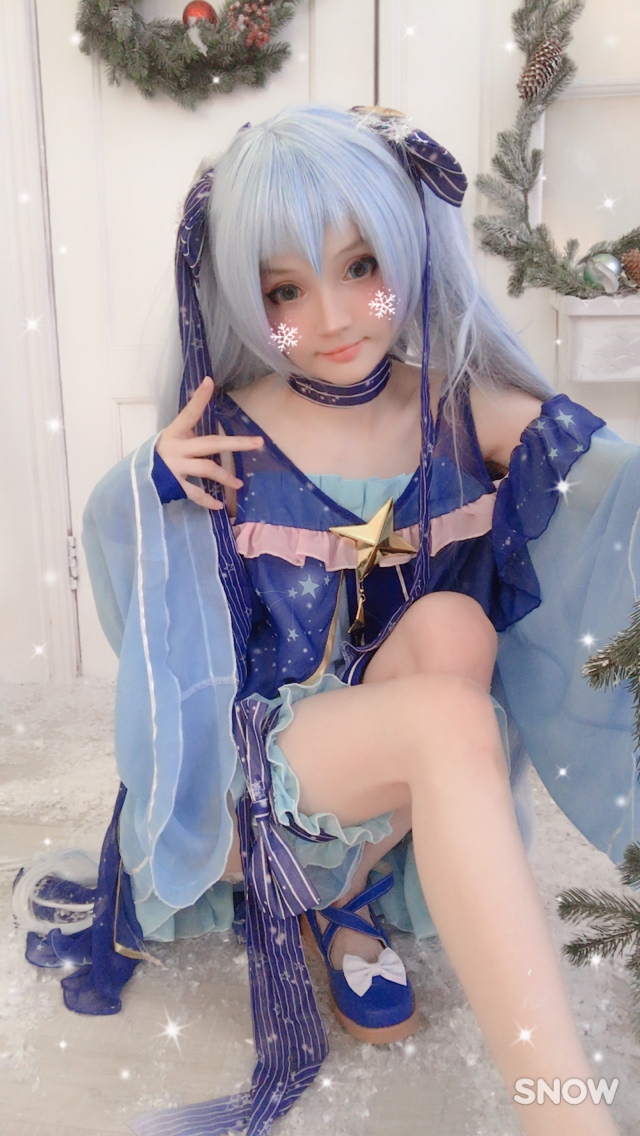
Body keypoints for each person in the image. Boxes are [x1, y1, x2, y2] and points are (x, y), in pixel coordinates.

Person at [20, 104, 638, 1136]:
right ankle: (564, 1114)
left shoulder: (457, 406)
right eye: (284, 291)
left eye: (362, 267)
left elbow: (614, 493)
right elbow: (137, 606)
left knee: (456, 628)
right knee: (450, 717)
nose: (336, 316)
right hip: (254, 772)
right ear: (242, 297)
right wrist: (148, 484)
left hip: (376, 762)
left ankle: (349, 894)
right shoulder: (230, 428)